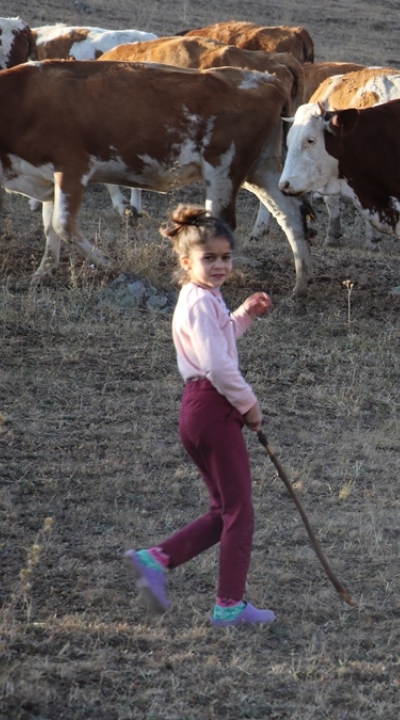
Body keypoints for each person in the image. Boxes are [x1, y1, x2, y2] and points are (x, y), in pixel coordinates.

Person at [125, 204, 277, 626]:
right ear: (185, 260)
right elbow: (217, 364)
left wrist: (244, 316)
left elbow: (219, 341)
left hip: (199, 410)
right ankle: (229, 606)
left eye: (225, 257)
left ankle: (156, 559)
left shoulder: (203, 298)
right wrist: (249, 404)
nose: (219, 265)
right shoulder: (197, 301)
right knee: (240, 510)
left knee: (224, 508)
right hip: (212, 407)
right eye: (209, 258)